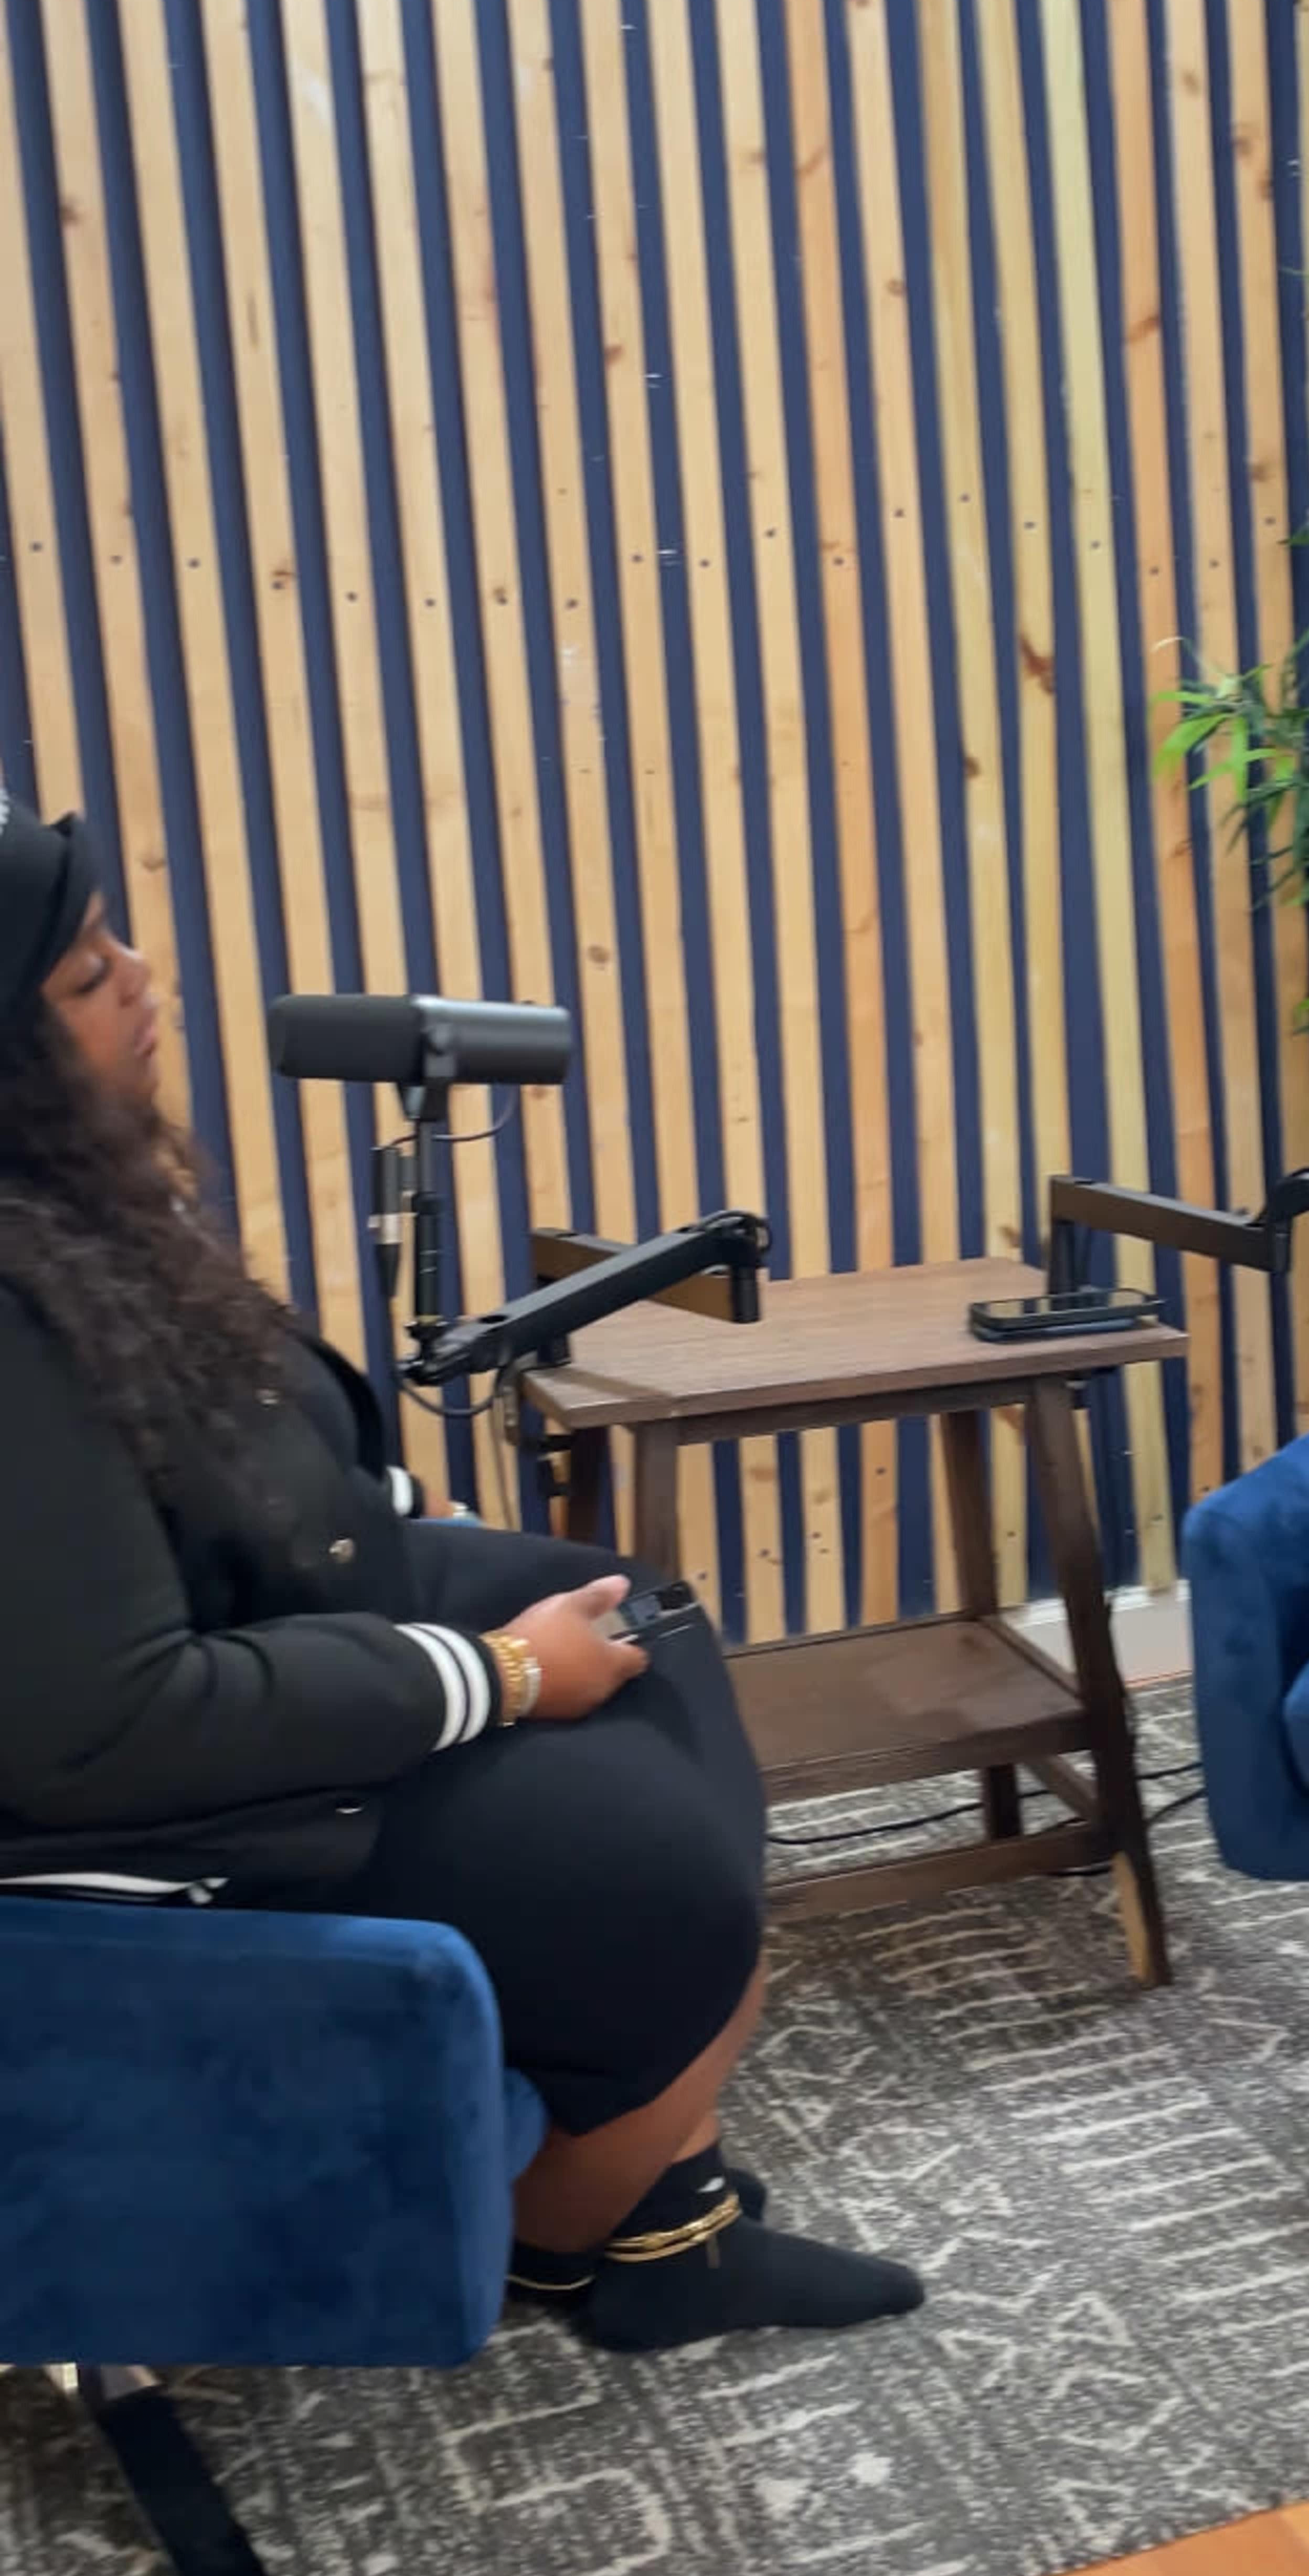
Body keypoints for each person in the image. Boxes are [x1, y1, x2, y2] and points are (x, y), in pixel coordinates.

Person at [0, 786, 922, 2356]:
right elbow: (104, 1717)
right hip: (141, 1804)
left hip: (267, 1625)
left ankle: (655, 2224)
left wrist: (421, 1542)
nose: (146, 973)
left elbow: (221, 1454)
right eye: (89, 974)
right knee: (658, 1877)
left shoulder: (66, 1216)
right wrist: (493, 1678)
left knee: (655, 1625)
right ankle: (577, 2239)